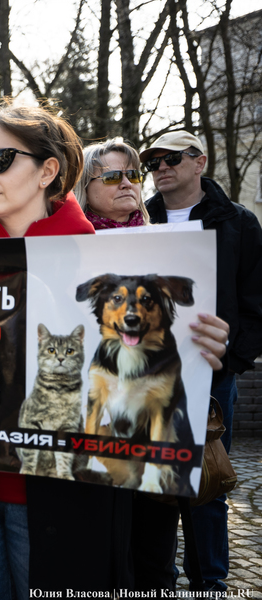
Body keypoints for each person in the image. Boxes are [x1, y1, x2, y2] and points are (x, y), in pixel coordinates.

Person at [76, 137, 232, 592]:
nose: (127, 183)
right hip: (97, 436)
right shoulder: (70, 246)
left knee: (154, 552)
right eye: (111, 175)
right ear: (85, 187)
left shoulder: (170, 246)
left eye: (132, 175)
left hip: (157, 428)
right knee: (105, 554)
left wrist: (215, 343)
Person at [139, 130, 262, 591]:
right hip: (147, 374)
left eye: (172, 158)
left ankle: (209, 581)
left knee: (207, 483)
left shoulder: (238, 223)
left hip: (211, 377)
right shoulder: (138, 219)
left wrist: (229, 359)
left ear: (200, 161)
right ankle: (157, 580)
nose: (161, 167)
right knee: (152, 480)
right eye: (153, 161)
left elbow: (255, 305)